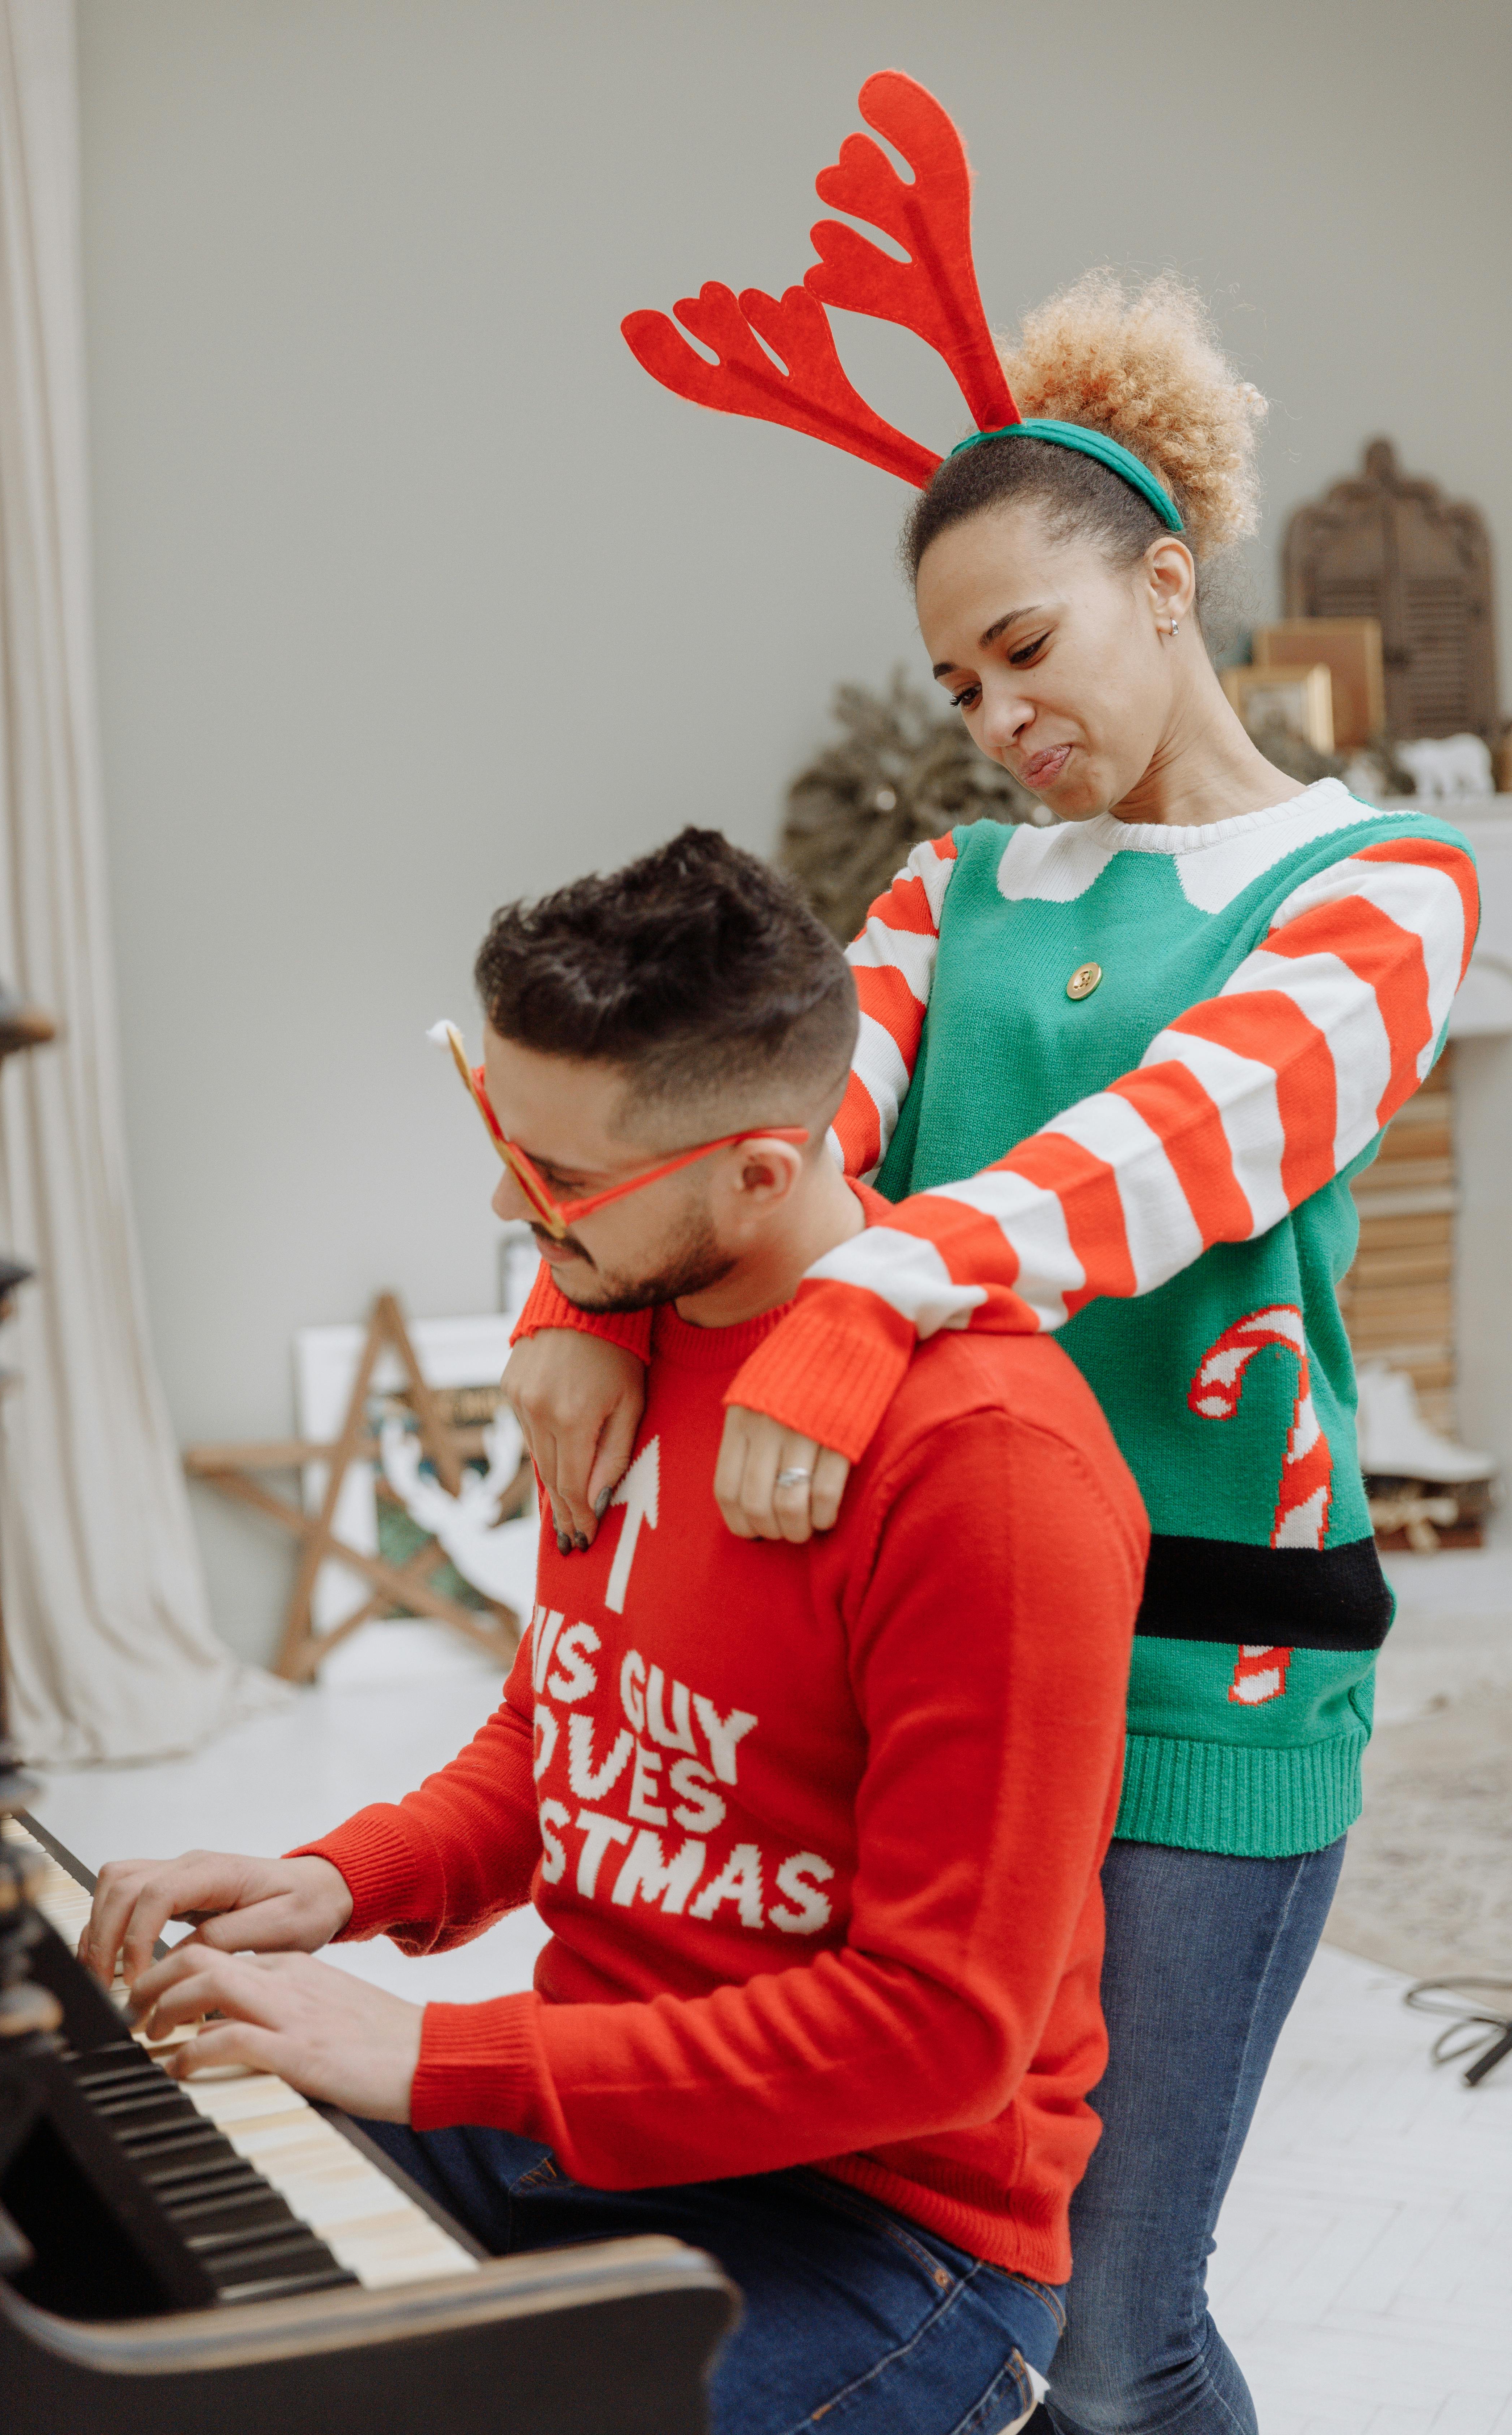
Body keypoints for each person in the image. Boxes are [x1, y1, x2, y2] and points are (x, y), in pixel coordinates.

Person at [502, 73, 1480, 2435]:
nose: (998, 717)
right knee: (930, 2259)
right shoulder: (954, 891)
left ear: (1169, 583)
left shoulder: (1382, 892)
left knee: (1121, 2336)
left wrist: (867, 1294)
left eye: (1025, 646)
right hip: (936, 1660)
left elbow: (1170, 1154)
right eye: (959, 684)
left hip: (1210, 1684)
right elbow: (774, 1138)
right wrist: (577, 1299)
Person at [83, 831, 1148, 2435]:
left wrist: (440, 2061)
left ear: (759, 1174)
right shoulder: (618, 1345)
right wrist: (333, 1884)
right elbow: (572, 1724)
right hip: (594, 2116)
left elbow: (938, 2037)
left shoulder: (989, 1471)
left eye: (561, 1184)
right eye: (504, 1142)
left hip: (874, 2238)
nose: (514, 1212)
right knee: (133, 2226)